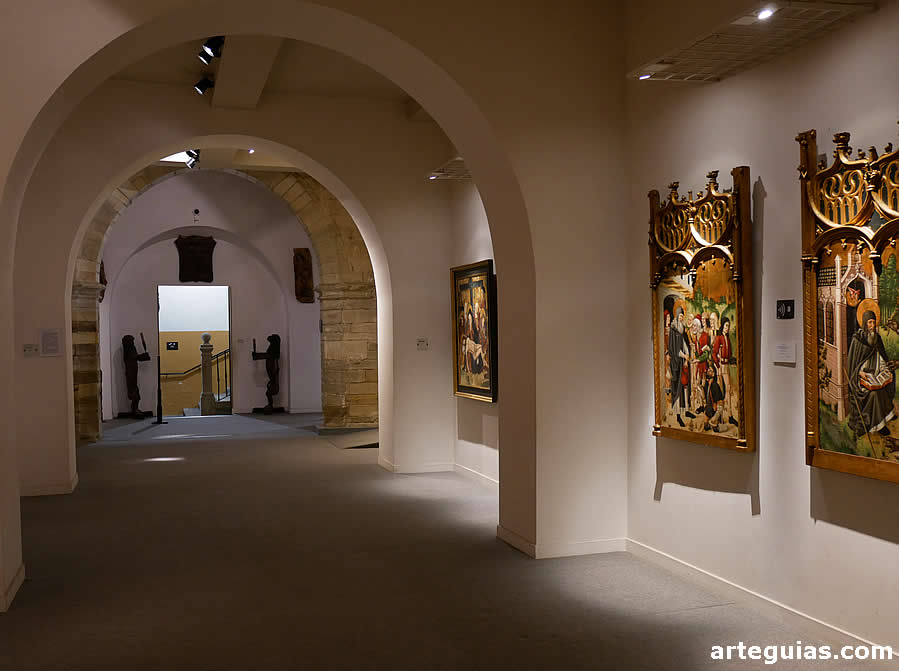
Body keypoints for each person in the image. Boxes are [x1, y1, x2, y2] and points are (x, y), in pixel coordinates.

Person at [847, 310, 897, 437]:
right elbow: (853, 364)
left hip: (875, 374)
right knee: (875, 394)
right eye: (869, 322)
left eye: (874, 322)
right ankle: (877, 425)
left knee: (884, 386)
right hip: (860, 379)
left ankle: (885, 416)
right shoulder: (857, 339)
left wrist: (885, 369)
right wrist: (860, 373)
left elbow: (880, 357)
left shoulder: (876, 338)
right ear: (864, 323)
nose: (872, 325)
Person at [667, 308, 696, 427]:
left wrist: (687, 355)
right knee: (678, 390)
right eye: (680, 316)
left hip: (684, 363)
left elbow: (685, 344)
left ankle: (687, 410)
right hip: (677, 364)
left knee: (685, 387)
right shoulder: (673, 330)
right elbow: (673, 349)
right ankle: (678, 415)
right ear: (677, 316)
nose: (681, 318)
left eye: (682, 316)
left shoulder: (682, 329)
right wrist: (683, 355)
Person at [712, 317, 739, 427]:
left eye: (728, 326)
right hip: (720, 366)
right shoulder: (719, 338)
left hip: (726, 366)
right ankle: (720, 415)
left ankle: (730, 414)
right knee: (721, 390)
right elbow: (714, 353)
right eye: (726, 325)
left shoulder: (727, 339)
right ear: (722, 325)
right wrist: (717, 365)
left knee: (728, 388)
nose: (727, 328)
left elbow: (729, 353)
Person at [122, 334, 151, 418]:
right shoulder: (128, 349)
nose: (133, 342)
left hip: (133, 372)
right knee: (134, 392)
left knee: (135, 391)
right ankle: (135, 410)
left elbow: (135, 357)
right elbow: (135, 357)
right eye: (132, 341)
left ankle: (136, 409)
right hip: (131, 373)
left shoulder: (130, 349)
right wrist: (145, 356)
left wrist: (144, 356)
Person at [252, 334, 281, 412]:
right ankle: (270, 405)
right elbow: (267, 356)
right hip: (272, 374)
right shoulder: (273, 350)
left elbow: (267, 356)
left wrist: (257, 356)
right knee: (269, 392)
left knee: (269, 392)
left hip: (273, 373)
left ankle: (270, 406)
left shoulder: (273, 352)